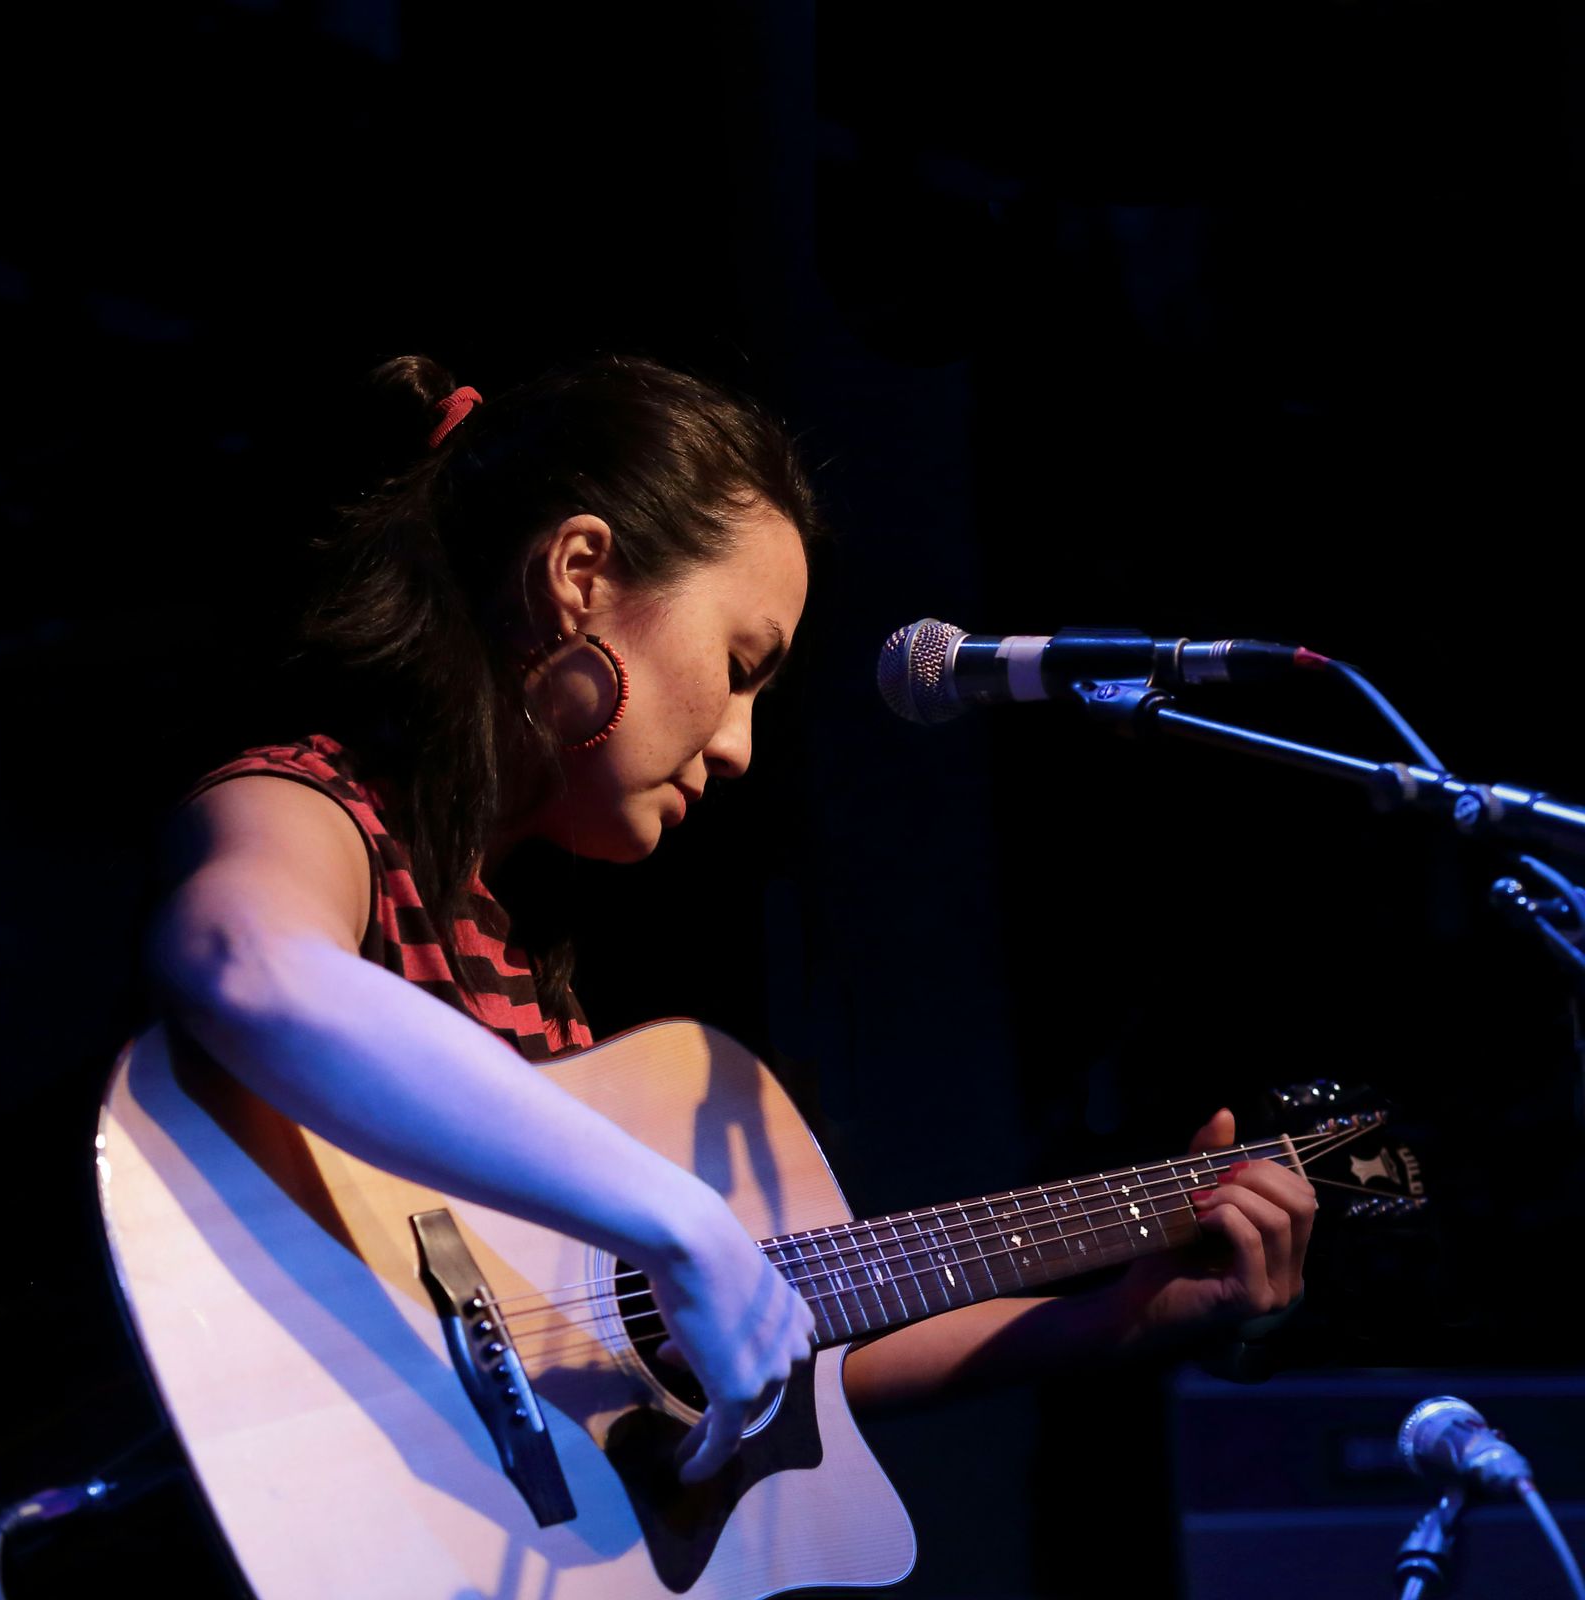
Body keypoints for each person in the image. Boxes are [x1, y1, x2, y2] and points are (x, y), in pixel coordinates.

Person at [149, 352, 1316, 1491]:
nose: (739, 745)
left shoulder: (524, 951)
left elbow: (733, 1339)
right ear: (579, 574)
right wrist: (674, 1216)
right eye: (739, 662)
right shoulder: (312, 806)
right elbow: (246, 962)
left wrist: (1111, 1320)